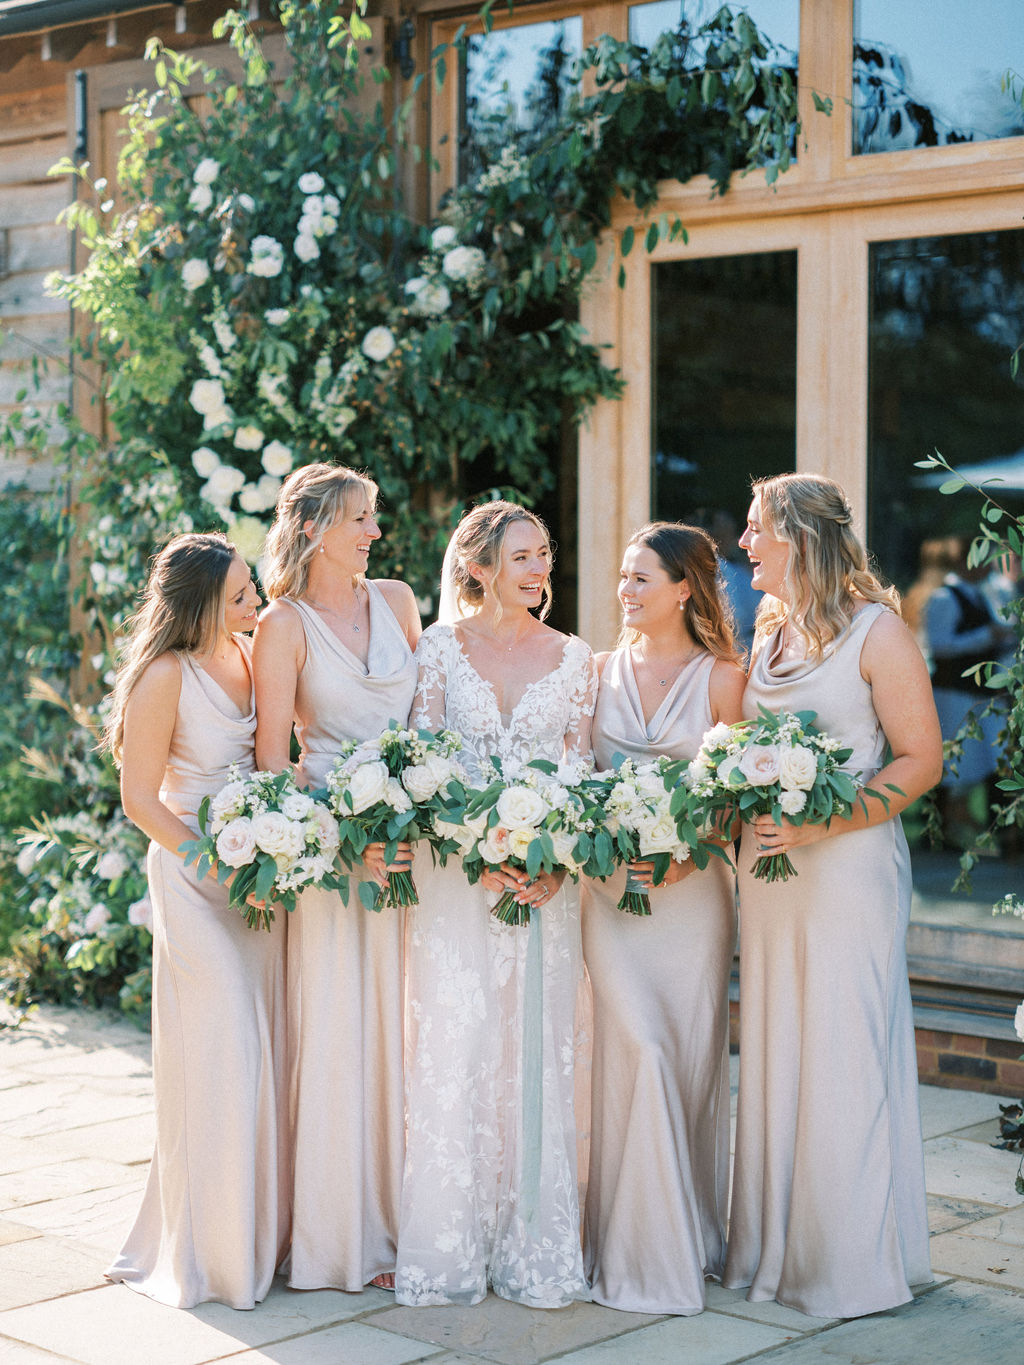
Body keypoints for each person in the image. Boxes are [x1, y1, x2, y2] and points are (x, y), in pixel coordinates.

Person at [722, 473, 943, 1319]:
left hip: (846, 870)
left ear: (800, 536)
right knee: (780, 1044)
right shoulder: (770, 631)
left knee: (843, 1047)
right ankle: (780, 1247)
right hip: (771, 876)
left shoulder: (877, 633)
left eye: (754, 530)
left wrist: (824, 825)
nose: (744, 545)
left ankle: (848, 1263)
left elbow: (920, 759)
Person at [395, 500, 597, 1308]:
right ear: (477, 567)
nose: (540, 567)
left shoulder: (577, 656)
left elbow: (580, 767)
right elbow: (425, 759)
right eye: (521, 556)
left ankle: (531, 1248)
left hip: (547, 885)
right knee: (458, 1037)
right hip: (456, 883)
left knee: (535, 1050)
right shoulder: (439, 649)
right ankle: (450, 1247)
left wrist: (553, 855)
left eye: (544, 553)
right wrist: (478, 852)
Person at [104, 532, 288, 1310]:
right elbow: (139, 798)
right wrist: (218, 861)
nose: (257, 601)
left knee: (261, 1053)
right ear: (204, 602)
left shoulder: (251, 659)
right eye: (243, 592)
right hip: (193, 874)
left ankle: (253, 1237)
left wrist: (272, 856)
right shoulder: (164, 676)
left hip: (259, 880)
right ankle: (208, 1257)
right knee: (223, 1050)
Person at [253, 462, 420, 1292]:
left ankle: (401, 1224)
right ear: (317, 526)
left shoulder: (396, 599)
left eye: (376, 518)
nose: (375, 532)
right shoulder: (282, 625)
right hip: (330, 859)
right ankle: (337, 1236)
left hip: (412, 849)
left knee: (407, 1031)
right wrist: (345, 836)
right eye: (361, 518)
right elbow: (273, 766)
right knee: (339, 1029)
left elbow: (433, 722)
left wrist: (417, 813)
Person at [582, 522, 745, 1315]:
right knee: (634, 1053)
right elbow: (576, 781)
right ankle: (624, 1247)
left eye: (642, 578)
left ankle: (681, 1237)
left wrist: (684, 854)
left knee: (684, 1064)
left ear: (685, 588)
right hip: (609, 897)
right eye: (623, 576)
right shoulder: (595, 671)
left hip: (691, 899)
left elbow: (739, 797)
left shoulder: (724, 679)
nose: (626, 590)